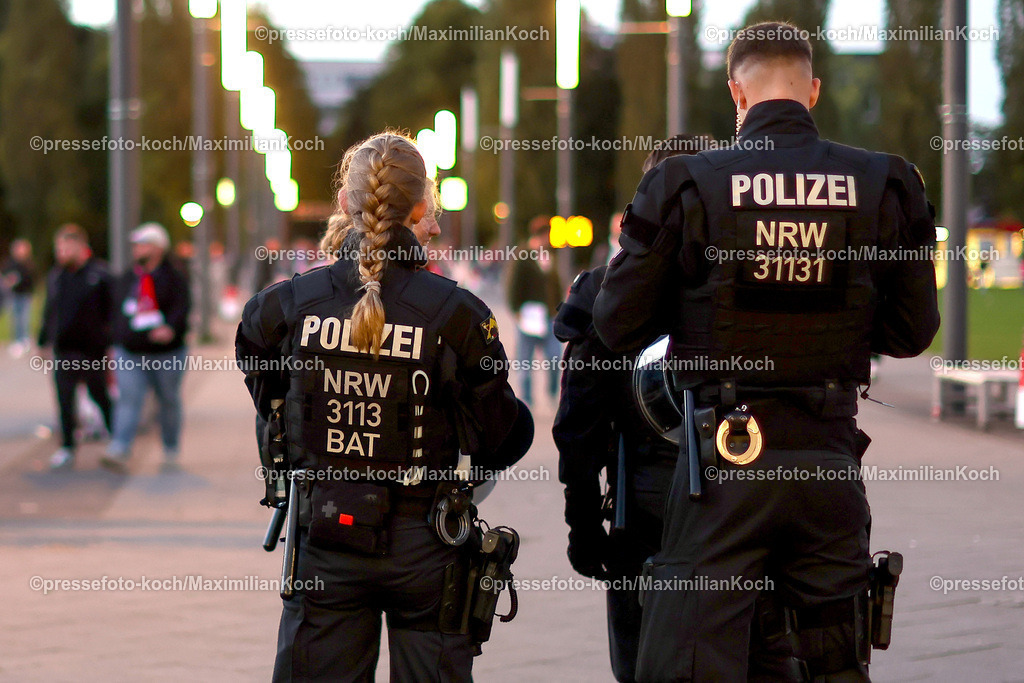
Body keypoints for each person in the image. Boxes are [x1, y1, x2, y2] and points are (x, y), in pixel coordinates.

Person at [594, 22, 941, 681]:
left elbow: (616, 324)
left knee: (689, 660)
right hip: (830, 459)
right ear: (812, 89)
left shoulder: (687, 183)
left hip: (725, 463)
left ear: (737, 93)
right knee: (834, 660)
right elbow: (911, 332)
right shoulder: (884, 182)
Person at [236, 131, 533, 682]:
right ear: (421, 208)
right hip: (429, 538)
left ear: (346, 204)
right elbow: (502, 434)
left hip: (326, 531)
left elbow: (262, 375)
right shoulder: (459, 313)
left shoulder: (287, 304)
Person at [554, 138, 798, 683]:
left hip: (647, 500)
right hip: (752, 488)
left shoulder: (604, 289)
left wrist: (583, 525)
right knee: (758, 654)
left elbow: (578, 428)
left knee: (647, 663)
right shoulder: (762, 275)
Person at [102, 223, 191, 472]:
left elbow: (182, 308)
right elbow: (116, 311)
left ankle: (170, 447)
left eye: (142, 243)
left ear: (158, 247)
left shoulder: (174, 276)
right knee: (129, 399)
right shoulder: (128, 278)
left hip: (166, 354)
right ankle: (120, 447)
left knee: (168, 400)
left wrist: (170, 328)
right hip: (130, 352)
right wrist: (115, 340)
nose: (137, 249)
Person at [37, 225, 114, 470]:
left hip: (92, 350)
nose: (61, 252)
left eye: (66, 247)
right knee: (64, 399)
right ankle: (67, 446)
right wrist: (43, 341)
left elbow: (111, 311)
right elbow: (49, 311)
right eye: (58, 248)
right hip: (64, 350)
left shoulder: (99, 274)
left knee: (99, 394)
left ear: (81, 247)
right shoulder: (57, 277)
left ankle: (117, 439)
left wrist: (109, 341)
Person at [506, 216, 563, 406]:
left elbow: (556, 285)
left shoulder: (550, 256)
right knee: (525, 361)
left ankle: (553, 391)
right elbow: (513, 285)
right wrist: (516, 311)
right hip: (528, 316)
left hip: (548, 316)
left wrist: (559, 307)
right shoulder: (523, 255)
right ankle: (527, 398)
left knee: (555, 357)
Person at [2, 238, 36, 356]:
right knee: (15, 318)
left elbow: (30, 280)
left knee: (23, 318)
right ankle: (17, 340)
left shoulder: (28, 264)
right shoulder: (10, 263)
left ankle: (24, 340)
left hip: (25, 294)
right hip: (14, 294)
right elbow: (5, 275)